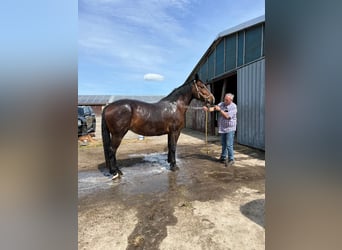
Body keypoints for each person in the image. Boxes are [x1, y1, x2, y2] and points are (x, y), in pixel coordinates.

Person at [203, 93, 237, 166]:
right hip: (223, 128)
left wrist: (220, 110)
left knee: (229, 145)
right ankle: (223, 157)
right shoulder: (222, 104)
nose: (225, 101)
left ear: (231, 100)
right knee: (223, 144)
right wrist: (208, 109)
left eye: (226, 100)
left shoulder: (233, 107)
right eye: (224, 99)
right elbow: (214, 108)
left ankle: (231, 159)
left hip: (230, 128)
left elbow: (227, 116)